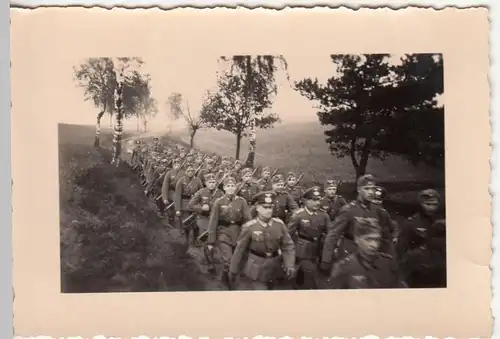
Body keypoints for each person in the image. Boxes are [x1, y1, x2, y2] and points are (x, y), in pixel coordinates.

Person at [320, 174, 397, 274]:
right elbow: (333, 235)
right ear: (359, 190)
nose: (370, 192)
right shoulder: (348, 210)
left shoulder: (378, 211)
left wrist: (391, 257)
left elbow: (386, 235)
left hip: (370, 254)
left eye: (373, 189)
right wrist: (326, 260)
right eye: (366, 188)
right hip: (350, 251)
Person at [229, 191, 296, 290]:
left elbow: (288, 246)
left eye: (270, 207)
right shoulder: (249, 227)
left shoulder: (279, 225)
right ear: (257, 208)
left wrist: (289, 264)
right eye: (265, 207)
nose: (268, 211)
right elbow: (240, 250)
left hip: (275, 267)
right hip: (256, 269)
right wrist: (233, 270)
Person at [327, 216, 406, 289]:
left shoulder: (388, 263)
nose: (374, 245)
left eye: (377, 240)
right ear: (357, 239)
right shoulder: (342, 268)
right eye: (368, 239)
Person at [207, 176, 253, 289]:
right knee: (228, 259)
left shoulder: (242, 201)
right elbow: (213, 221)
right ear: (224, 188)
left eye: (233, 186)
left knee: (237, 260)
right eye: (228, 186)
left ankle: (225, 274)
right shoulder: (219, 202)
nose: (231, 188)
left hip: (238, 233)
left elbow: (248, 220)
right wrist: (211, 241)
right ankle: (228, 283)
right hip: (223, 233)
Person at [397, 189, 446, 288]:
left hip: (440, 270)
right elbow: (401, 248)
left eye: (434, 204)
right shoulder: (412, 223)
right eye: (428, 204)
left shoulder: (444, 221)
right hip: (419, 271)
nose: (431, 208)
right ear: (421, 204)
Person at [287, 187, 331, 289]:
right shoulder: (298, 215)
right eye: (314, 200)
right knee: (307, 272)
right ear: (306, 201)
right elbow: (289, 234)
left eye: (319, 200)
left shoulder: (324, 215)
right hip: (302, 248)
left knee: (312, 270)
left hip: (317, 247)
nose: (317, 203)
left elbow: (330, 232)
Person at [187, 173, 224, 249]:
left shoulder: (220, 193)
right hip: (203, 217)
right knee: (206, 234)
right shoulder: (201, 192)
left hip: (214, 218)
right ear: (205, 183)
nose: (211, 184)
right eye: (209, 182)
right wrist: (201, 208)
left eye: (213, 182)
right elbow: (191, 204)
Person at [174, 164, 204, 246]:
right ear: (185, 171)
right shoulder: (181, 181)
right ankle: (186, 240)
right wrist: (177, 209)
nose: (190, 172)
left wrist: (201, 206)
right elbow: (177, 196)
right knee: (186, 224)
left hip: (195, 206)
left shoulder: (198, 180)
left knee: (196, 225)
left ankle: (195, 240)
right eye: (188, 171)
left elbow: (201, 193)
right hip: (185, 205)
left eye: (192, 171)